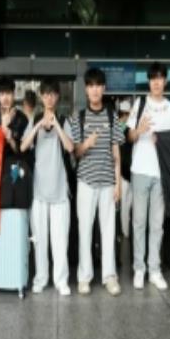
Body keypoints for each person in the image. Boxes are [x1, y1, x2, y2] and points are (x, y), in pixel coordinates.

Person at [70, 68, 124, 296]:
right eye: (90, 85)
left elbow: (116, 151)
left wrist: (118, 183)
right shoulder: (78, 117)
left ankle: (110, 276)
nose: (94, 90)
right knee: (84, 230)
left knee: (109, 231)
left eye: (98, 86)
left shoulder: (113, 117)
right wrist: (86, 144)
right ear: (86, 89)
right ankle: (84, 277)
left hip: (108, 182)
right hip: (86, 182)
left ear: (103, 88)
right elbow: (75, 152)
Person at [127, 62, 170, 291]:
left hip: (161, 173)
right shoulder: (140, 104)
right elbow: (129, 137)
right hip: (140, 169)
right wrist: (138, 131)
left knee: (157, 224)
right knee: (139, 222)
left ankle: (154, 269)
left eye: (160, 78)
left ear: (165, 81)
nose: (156, 82)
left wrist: (164, 142)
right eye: (153, 78)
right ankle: (139, 268)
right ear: (149, 82)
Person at [21, 78, 74, 296]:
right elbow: (23, 146)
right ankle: (41, 278)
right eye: (46, 94)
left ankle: (61, 280)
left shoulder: (64, 120)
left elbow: (70, 147)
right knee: (40, 239)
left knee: (60, 239)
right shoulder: (34, 120)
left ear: (57, 97)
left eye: (53, 94)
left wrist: (56, 125)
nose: (49, 98)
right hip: (39, 190)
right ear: (41, 97)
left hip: (60, 190)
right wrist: (38, 126)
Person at [118, 99, 133, 238]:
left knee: (125, 205)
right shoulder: (125, 129)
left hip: (124, 172)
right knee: (126, 205)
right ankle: (125, 232)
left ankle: (125, 232)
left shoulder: (119, 128)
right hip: (124, 172)